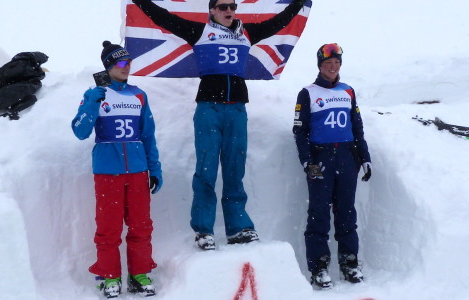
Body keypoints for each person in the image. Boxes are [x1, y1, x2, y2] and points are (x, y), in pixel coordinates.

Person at [132, 0, 306, 250]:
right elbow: (163, 18)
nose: (229, 11)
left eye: (232, 7)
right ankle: (203, 229)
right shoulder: (200, 31)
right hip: (208, 109)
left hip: (237, 108)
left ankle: (238, 227)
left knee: (235, 167)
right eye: (223, 7)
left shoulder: (246, 33)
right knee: (207, 167)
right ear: (212, 10)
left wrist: (297, 5)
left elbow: (278, 23)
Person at [71, 41, 163, 298]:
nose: (126, 67)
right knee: (109, 227)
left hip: (137, 171)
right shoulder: (95, 93)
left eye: (129, 62)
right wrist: (91, 102)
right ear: (109, 66)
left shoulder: (139, 95)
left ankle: (140, 273)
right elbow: (80, 131)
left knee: (141, 225)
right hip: (107, 171)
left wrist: (154, 168)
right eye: (121, 62)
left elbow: (148, 136)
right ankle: (109, 276)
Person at [292, 43, 372, 289]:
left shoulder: (348, 91)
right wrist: (308, 162)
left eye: (336, 63)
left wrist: (364, 157)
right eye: (328, 64)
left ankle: (349, 263)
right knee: (318, 214)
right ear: (320, 65)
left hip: (347, 157)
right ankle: (319, 267)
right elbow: (299, 131)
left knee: (347, 211)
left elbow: (356, 126)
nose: (333, 67)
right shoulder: (308, 92)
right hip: (321, 158)